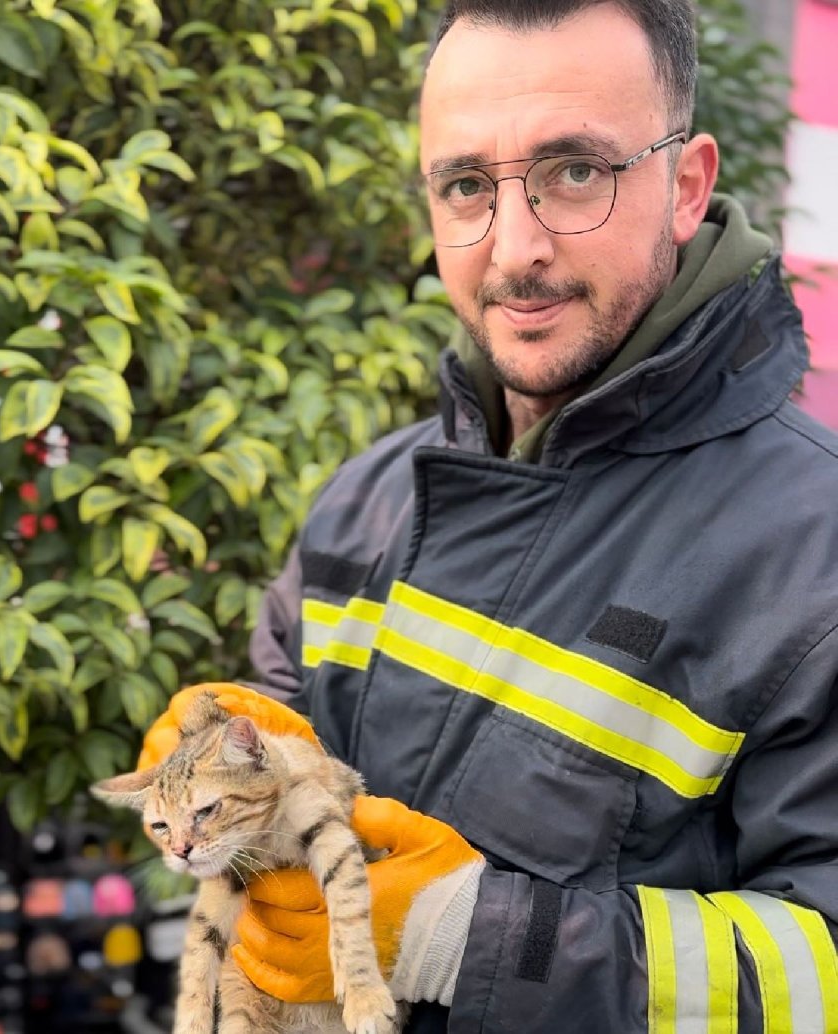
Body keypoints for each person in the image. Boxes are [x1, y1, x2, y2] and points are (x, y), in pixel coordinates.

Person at [142, 1, 838, 1030]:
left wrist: (463, 936)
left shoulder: (814, 554)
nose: (515, 249)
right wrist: (236, 743)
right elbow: (282, 721)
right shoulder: (367, 499)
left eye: (575, 172)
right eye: (467, 185)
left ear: (686, 186)